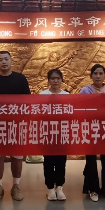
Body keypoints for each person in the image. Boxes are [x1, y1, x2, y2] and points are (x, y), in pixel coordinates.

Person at [0, 51, 31, 201]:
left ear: (11, 61)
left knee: (17, 156)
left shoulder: (20, 79)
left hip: (17, 124)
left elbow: (28, 101)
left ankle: (16, 186)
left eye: (6, 59)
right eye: (0, 60)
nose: (3, 62)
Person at [80, 64, 105, 202]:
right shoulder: (85, 90)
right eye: (95, 73)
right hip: (90, 128)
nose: (98, 76)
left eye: (101, 73)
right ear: (91, 76)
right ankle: (92, 189)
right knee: (91, 160)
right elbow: (81, 108)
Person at [40, 69, 69, 201]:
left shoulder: (67, 95)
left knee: (61, 161)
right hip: (47, 133)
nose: (55, 81)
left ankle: (59, 187)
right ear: (48, 80)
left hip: (62, 133)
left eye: (58, 78)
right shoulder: (42, 95)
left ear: (62, 80)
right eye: (53, 78)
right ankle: (50, 188)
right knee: (48, 161)